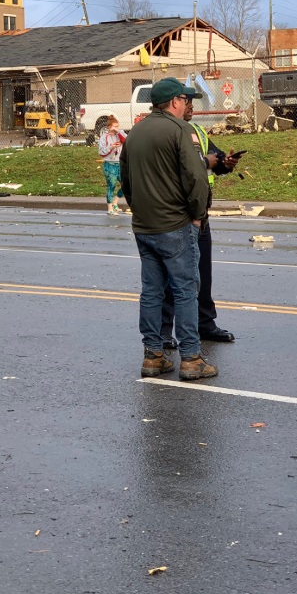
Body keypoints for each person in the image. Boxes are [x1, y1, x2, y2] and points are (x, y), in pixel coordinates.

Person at [119, 77, 217, 381]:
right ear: (174, 101)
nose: (188, 105)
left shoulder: (134, 133)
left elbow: (126, 181)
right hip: (176, 223)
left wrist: (139, 209)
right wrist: (198, 215)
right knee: (186, 289)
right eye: (186, 100)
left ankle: (154, 355)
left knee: (151, 291)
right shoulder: (181, 131)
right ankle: (191, 358)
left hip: (145, 226)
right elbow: (197, 178)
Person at [160, 93, 241, 349]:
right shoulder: (167, 133)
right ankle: (164, 332)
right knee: (172, 279)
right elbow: (177, 167)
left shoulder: (197, 132)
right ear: (176, 104)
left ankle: (205, 324)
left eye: (193, 107)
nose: (191, 110)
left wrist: (225, 163)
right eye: (188, 106)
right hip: (178, 216)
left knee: (202, 275)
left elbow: (214, 162)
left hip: (201, 215)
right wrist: (207, 162)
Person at [98, 115, 126, 215]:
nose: (117, 128)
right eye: (115, 126)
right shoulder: (104, 137)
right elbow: (101, 152)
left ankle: (115, 202)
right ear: (109, 127)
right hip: (109, 165)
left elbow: (126, 141)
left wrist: (118, 132)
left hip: (120, 164)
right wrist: (111, 147)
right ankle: (110, 208)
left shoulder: (120, 134)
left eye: (118, 126)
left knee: (126, 185)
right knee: (112, 185)